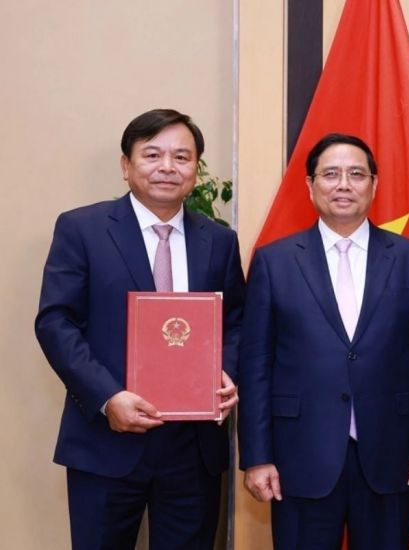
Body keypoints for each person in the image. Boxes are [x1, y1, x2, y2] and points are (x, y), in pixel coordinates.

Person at [34, 108, 245, 548]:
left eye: (182, 157)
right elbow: (56, 322)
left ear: (195, 169)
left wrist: (228, 374)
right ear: (126, 165)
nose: (168, 167)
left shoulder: (219, 240)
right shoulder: (82, 229)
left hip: (193, 451)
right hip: (106, 441)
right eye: (153, 154)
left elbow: (236, 323)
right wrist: (108, 397)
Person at [238, 133, 409, 550]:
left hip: (392, 453)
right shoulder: (273, 261)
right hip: (300, 455)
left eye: (356, 174)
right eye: (330, 174)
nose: (343, 185)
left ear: (375, 184)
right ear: (310, 185)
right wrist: (257, 455)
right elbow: (256, 364)